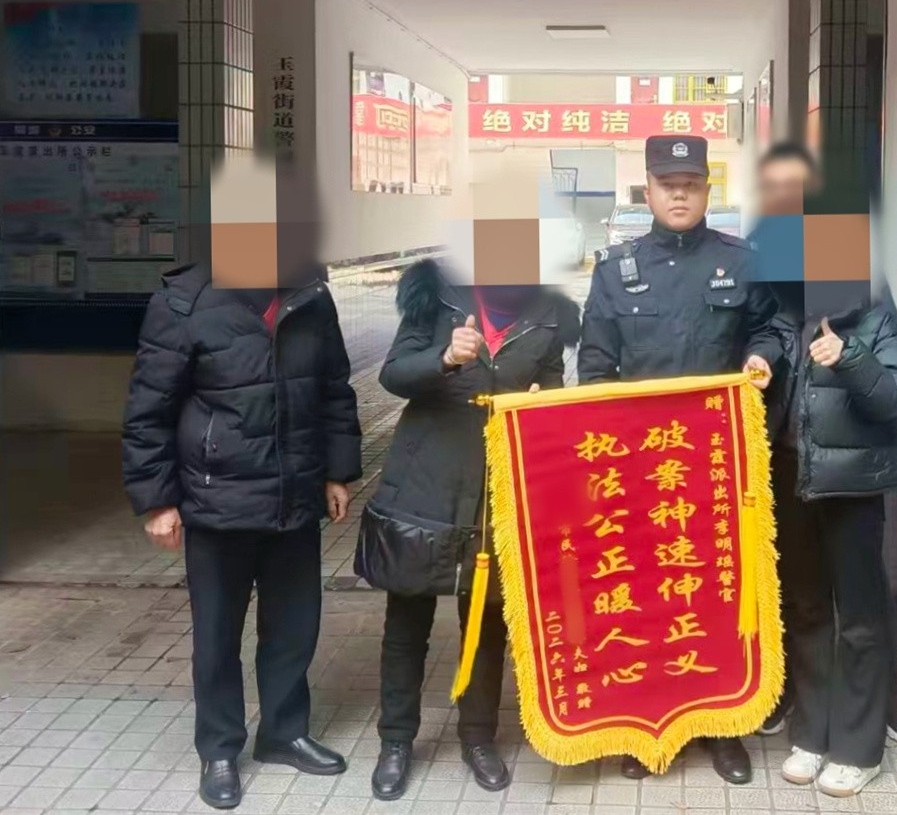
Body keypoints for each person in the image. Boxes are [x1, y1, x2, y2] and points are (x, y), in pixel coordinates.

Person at [578, 135, 781, 785]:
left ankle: (721, 726)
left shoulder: (741, 262)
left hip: (716, 465)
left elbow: (770, 327)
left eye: (691, 183)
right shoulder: (616, 270)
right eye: (668, 184)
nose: (679, 194)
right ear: (648, 190)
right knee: (645, 598)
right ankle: (646, 725)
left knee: (718, 593)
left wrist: (761, 357)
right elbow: (595, 366)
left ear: (707, 191)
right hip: (640, 470)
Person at [122, 263, 362, 810]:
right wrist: (158, 501)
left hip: (294, 495)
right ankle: (220, 750)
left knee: (294, 628)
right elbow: (148, 407)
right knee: (216, 636)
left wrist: (336, 472)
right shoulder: (184, 302)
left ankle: (284, 733)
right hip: (217, 502)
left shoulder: (309, 296)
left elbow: (333, 391)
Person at [359, 260, 580, 801]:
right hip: (425, 485)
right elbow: (393, 374)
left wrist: (542, 400)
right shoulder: (437, 297)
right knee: (406, 621)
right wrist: (445, 358)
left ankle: (478, 738)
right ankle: (395, 741)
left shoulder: (550, 313)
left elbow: (552, 385)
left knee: (486, 624)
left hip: (498, 493)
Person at [745, 143, 897, 797]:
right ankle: (811, 732)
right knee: (808, 606)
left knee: (862, 616)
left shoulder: (870, 307)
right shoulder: (784, 307)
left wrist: (850, 358)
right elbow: (767, 339)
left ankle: (858, 743)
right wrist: (760, 360)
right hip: (792, 479)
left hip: (852, 486)